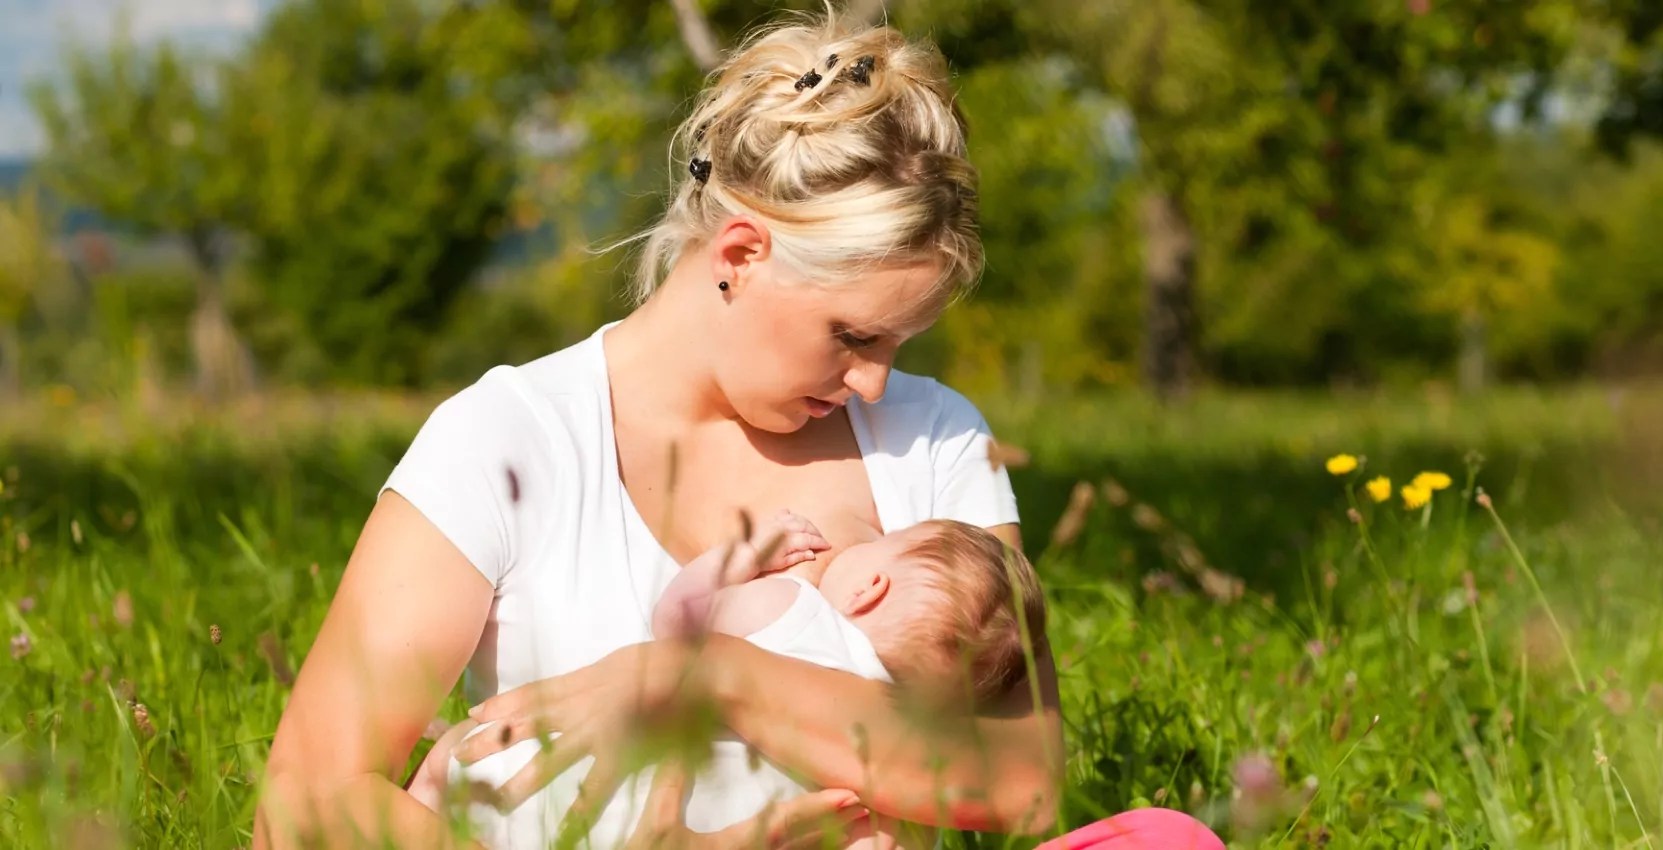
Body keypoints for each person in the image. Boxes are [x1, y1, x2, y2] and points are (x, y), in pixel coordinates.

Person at [254, 9, 1223, 850]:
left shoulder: (932, 440)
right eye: (853, 335)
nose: (877, 380)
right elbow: (305, 804)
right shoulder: (510, 440)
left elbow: (1019, 777)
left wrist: (708, 678)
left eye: (898, 341)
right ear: (743, 251)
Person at [407, 512, 1047, 848]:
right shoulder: (893, 764)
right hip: (701, 830)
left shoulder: (794, 608)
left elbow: (675, 622)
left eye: (889, 538)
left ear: (872, 586)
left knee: (450, 764)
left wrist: (743, 559)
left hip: (579, 790)